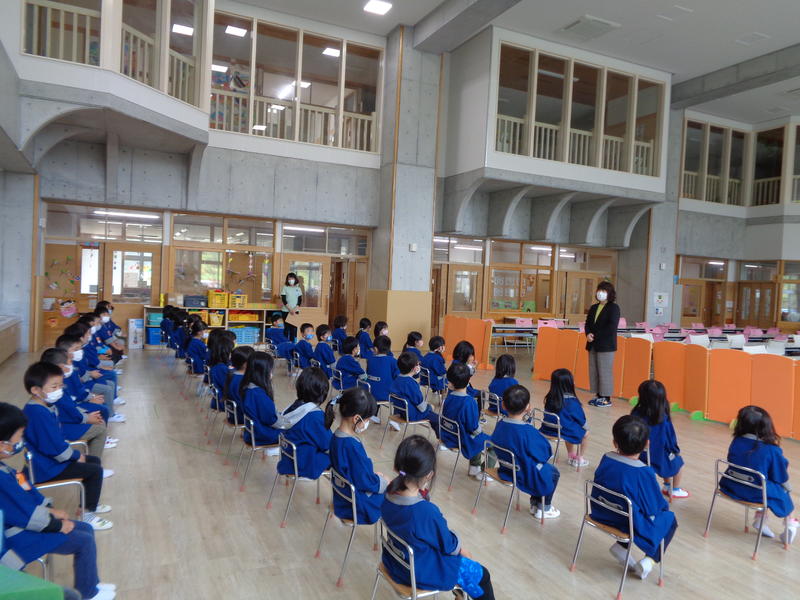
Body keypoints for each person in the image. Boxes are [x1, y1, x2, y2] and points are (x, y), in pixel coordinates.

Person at [0, 402, 116, 600]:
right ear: (2, 444)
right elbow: (25, 515)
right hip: (16, 539)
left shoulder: (5, 469)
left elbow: (27, 493)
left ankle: (90, 585)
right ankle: (89, 594)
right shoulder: (2, 478)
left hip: (26, 525)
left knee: (86, 529)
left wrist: (51, 510)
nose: (21, 440)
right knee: (83, 540)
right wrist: (57, 525)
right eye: (19, 436)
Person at [381, 436, 496, 599]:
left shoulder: (388, 494)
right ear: (429, 475)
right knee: (482, 575)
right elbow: (449, 545)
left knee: (464, 566)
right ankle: (462, 591)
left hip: (397, 563)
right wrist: (461, 550)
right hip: (419, 571)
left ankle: (460, 593)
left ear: (397, 465)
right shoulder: (424, 511)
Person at [22, 362, 112, 531]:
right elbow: (53, 448)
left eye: (60, 385)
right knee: (94, 470)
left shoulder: (44, 406)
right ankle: (87, 514)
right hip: (46, 468)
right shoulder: (38, 413)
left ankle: (88, 503)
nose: (59, 390)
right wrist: (76, 456)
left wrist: (75, 455)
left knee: (94, 462)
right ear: (35, 390)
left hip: (49, 462)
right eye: (54, 386)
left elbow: (56, 440)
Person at [592, 415, 677, 580]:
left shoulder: (606, 458)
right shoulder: (643, 472)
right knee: (669, 520)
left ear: (614, 442)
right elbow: (654, 506)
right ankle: (650, 560)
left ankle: (622, 547)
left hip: (602, 512)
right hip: (626, 521)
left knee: (629, 506)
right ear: (647, 444)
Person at [720, 405, 797, 544]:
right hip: (755, 492)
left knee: (763, 482)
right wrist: (788, 487)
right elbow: (780, 476)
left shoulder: (736, 441)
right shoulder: (771, 450)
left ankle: (761, 519)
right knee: (781, 490)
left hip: (731, 486)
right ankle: (790, 523)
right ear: (766, 426)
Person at [491, 385, 560, 519]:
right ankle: (543, 507)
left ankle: (535, 504)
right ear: (528, 407)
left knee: (542, 469)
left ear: (503, 405)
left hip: (506, 468)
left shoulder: (500, 424)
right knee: (553, 472)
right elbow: (545, 453)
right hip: (523, 472)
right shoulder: (527, 431)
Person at [329, 388, 387, 524]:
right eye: (367, 419)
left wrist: (373, 476)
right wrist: (383, 482)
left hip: (342, 498)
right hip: (357, 505)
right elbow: (364, 481)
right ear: (356, 418)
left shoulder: (335, 436)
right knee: (396, 495)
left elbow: (356, 473)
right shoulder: (352, 446)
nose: (367, 423)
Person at [40, 348, 110, 456]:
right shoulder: (54, 388)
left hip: (69, 418)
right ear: (60, 367)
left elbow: (71, 405)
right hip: (63, 426)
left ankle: (92, 454)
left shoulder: (56, 383)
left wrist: (86, 415)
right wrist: (85, 418)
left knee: (100, 417)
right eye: (70, 362)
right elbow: (68, 409)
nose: (72, 365)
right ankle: (93, 461)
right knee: (100, 425)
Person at [631, 380, 688, 498]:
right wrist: (675, 451)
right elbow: (670, 440)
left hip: (638, 453)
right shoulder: (662, 418)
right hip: (657, 457)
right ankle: (674, 489)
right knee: (678, 462)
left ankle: (667, 485)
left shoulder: (635, 413)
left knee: (668, 457)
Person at [275, 367, 334, 476]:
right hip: (304, 464)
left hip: (288, 460)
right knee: (341, 455)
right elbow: (329, 444)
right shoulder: (315, 416)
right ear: (322, 393)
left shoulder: (292, 407)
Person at [440, 362, 491, 480]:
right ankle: (483, 471)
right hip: (461, 439)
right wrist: (480, 432)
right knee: (491, 441)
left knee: (478, 436)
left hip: (448, 434)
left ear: (450, 383)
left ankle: (474, 466)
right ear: (468, 382)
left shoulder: (449, 397)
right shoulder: (469, 402)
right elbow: (473, 427)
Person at [540, 368, 589, 468]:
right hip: (561, 431)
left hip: (547, 429)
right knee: (585, 433)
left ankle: (571, 455)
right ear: (569, 384)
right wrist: (586, 428)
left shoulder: (549, 398)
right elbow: (581, 420)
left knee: (568, 427)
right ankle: (579, 459)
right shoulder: (572, 402)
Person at [585, 281, 621, 408]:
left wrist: (595, 336)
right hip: (592, 344)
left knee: (604, 371)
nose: (600, 293)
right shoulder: (594, 307)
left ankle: (606, 398)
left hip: (606, 345)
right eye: (599, 290)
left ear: (610, 293)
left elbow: (611, 327)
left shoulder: (614, 308)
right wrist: (588, 334)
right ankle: (598, 395)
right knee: (594, 370)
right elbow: (587, 323)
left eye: (604, 291)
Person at [388, 352, 439, 434]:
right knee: (437, 418)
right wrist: (429, 407)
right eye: (418, 364)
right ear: (414, 368)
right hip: (412, 415)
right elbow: (420, 405)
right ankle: (443, 439)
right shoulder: (411, 383)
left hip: (401, 412)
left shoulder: (397, 379)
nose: (419, 366)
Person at [241, 352, 280, 446]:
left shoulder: (247, 387)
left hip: (252, 432)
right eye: (270, 370)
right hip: (264, 435)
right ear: (263, 372)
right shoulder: (259, 394)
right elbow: (270, 419)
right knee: (297, 432)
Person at [223, 346, 254, 426]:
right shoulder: (243, 381)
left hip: (234, 414)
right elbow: (248, 405)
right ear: (245, 364)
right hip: (243, 417)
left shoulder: (232, 375)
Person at [366, 335, 399, 405]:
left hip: (369, 393)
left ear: (375, 349)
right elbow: (398, 377)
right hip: (387, 395)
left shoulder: (370, 360)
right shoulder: (392, 360)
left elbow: (368, 373)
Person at [208, 334, 234, 411]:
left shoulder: (218, 364)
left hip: (220, 399)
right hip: (223, 402)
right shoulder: (221, 368)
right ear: (226, 352)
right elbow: (230, 388)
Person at [280, 272, 303, 342]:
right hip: (286, 311)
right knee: (286, 329)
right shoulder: (285, 288)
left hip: (295, 311)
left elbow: (300, 300)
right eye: (289, 279)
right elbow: (284, 300)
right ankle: (285, 343)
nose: (290, 280)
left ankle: (292, 343)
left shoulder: (298, 288)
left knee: (294, 329)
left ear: (295, 279)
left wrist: (295, 309)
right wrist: (290, 309)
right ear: (287, 280)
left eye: (292, 279)